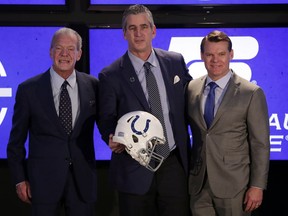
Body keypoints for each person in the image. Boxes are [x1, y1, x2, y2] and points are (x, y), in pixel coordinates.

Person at [97, 4, 192, 216]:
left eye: (143, 27)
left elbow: (192, 101)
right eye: (132, 28)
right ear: (124, 33)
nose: (138, 33)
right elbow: (106, 118)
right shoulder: (110, 75)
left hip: (173, 164)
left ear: (153, 30)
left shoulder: (175, 62)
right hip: (134, 166)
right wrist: (111, 136)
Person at [6, 27, 99, 216]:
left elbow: (106, 125)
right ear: (50, 52)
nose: (64, 54)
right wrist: (19, 179)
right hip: (42, 183)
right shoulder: (28, 90)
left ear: (79, 54)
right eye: (59, 48)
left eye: (71, 49)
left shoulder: (93, 86)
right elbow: (15, 142)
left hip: (82, 181)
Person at [186, 30, 270, 216]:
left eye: (221, 54)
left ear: (231, 55)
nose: (215, 60)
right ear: (202, 56)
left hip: (235, 186)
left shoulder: (251, 93)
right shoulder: (191, 88)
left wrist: (257, 185)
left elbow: (260, 144)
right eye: (210, 54)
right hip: (198, 184)